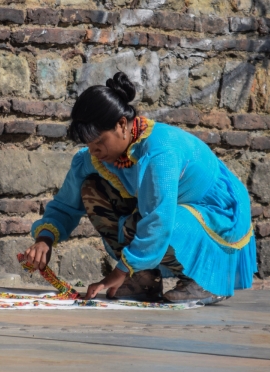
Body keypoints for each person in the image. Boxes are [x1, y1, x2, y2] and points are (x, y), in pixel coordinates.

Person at [23, 72, 257, 304]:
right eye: (89, 144)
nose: (93, 151)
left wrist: (118, 273)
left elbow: (158, 220)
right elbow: (65, 204)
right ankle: (142, 278)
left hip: (216, 215)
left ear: (121, 124)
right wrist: (45, 239)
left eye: (99, 142)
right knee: (91, 188)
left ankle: (203, 280)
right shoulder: (94, 159)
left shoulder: (160, 153)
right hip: (165, 214)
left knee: (148, 223)